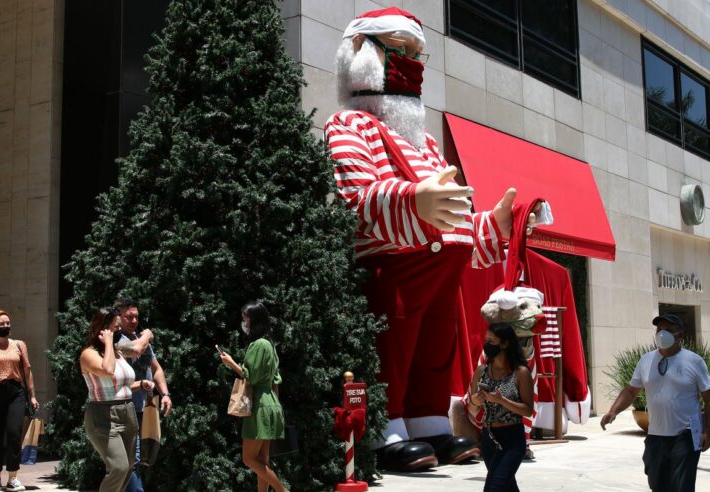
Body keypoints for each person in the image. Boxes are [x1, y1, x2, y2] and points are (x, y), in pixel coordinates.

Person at [325, 7, 529, 470]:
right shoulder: (348, 126)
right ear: (360, 51)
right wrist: (413, 200)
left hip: (441, 271)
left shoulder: (426, 143)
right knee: (391, 349)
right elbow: (353, 198)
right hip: (393, 267)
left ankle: (430, 423)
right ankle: (386, 427)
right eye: (402, 49)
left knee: (435, 352)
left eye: (420, 53)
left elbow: (453, 216)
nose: (413, 62)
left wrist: (489, 226)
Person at [601, 314, 710, 492]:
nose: (662, 334)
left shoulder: (694, 362)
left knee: (681, 487)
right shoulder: (646, 360)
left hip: (686, 436)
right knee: (658, 485)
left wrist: (707, 431)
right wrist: (613, 411)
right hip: (656, 437)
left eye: (668, 330)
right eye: (659, 329)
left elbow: (708, 398)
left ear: (680, 334)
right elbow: (631, 390)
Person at [219, 302, 288, 492]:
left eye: (246, 319)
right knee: (262, 461)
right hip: (271, 403)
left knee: (248, 458)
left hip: (259, 405)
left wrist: (230, 362)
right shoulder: (270, 344)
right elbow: (276, 380)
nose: (244, 323)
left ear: (254, 320)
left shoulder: (257, 345)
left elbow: (250, 376)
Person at [81, 307, 146, 492]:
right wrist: (109, 344)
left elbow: (120, 386)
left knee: (130, 466)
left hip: (128, 411)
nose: (119, 332)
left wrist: (141, 384)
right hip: (103, 415)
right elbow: (107, 370)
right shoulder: (89, 354)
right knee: (119, 467)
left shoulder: (118, 353)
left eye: (119, 328)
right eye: (115, 328)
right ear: (101, 329)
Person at [113, 298, 170, 492]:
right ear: (118, 317)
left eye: (136, 317)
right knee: (133, 460)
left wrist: (165, 394)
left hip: (144, 409)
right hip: (124, 409)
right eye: (129, 317)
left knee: (140, 459)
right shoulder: (115, 340)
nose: (134, 321)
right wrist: (147, 334)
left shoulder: (140, 338)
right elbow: (136, 348)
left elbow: (156, 369)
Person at [468, 323, 533, 492]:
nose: (487, 344)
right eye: (486, 340)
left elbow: (527, 409)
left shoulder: (520, 372)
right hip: (489, 437)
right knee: (508, 486)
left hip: (512, 438)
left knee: (494, 487)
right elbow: (472, 409)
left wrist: (502, 400)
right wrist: (475, 401)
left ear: (504, 343)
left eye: (491, 340)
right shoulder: (481, 371)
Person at [0, 309, 40, 492]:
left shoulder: (19, 345)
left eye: (8, 323)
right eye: (1, 324)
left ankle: (13, 477)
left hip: (15, 392)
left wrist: (32, 395)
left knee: (14, 433)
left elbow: (27, 371)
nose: (6, 326)